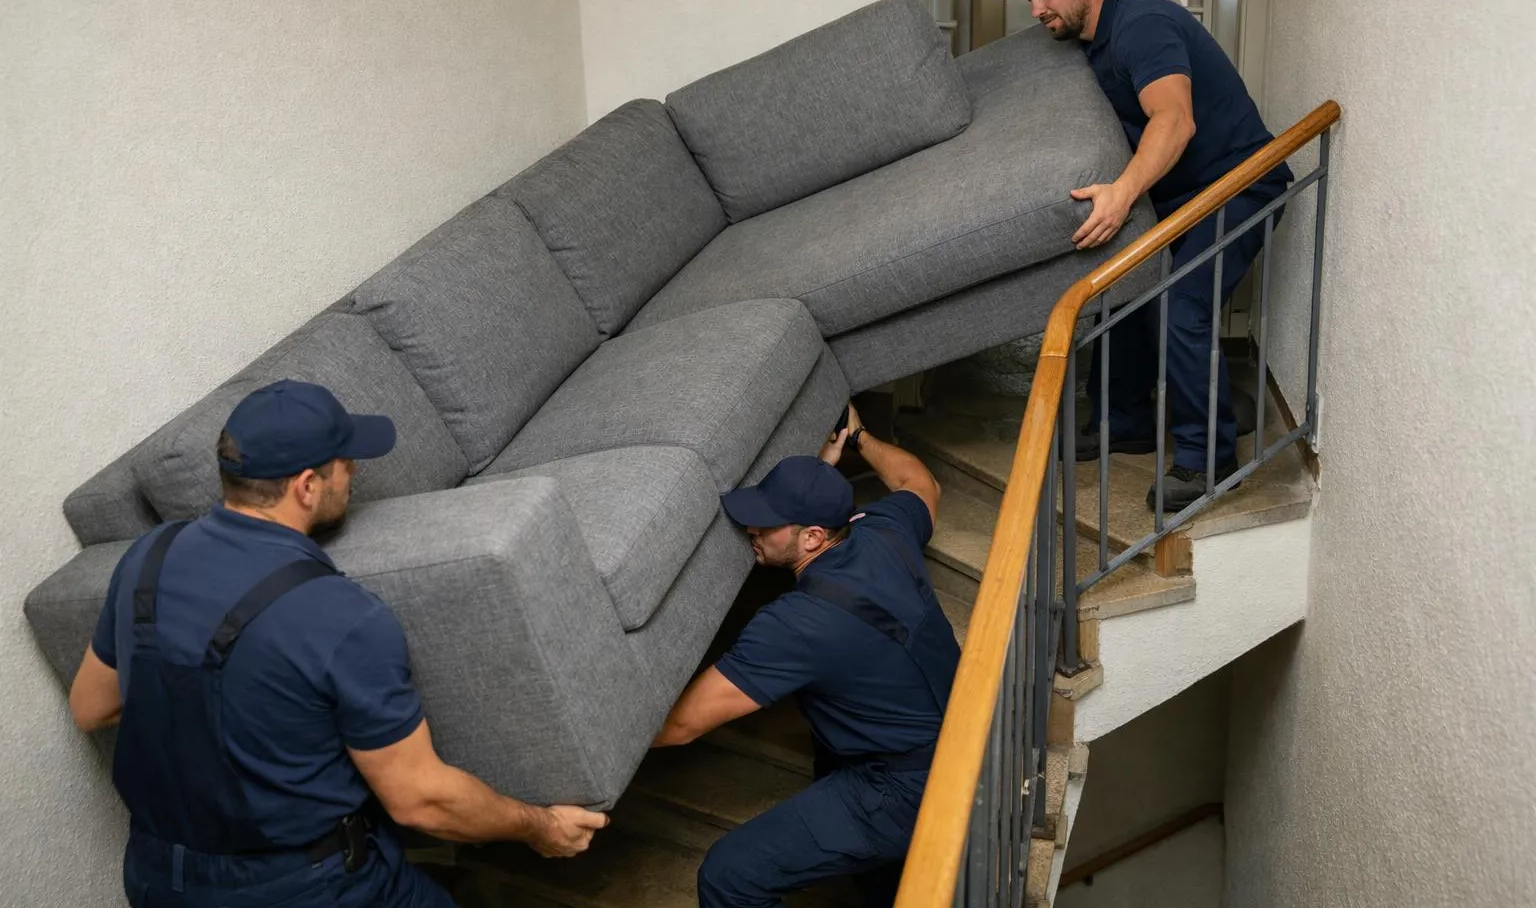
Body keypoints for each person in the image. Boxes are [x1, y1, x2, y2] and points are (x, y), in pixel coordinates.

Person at [67, 379, 608, 907]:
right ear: (306, 486)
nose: (353, 472)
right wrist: (542, 826)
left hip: (155, 876)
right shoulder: (342, 615)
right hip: (304, 886)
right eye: (345, 462)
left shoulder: (148, 555)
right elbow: (425, 802)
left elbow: (92, 707)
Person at [991, 0, 1294, 512]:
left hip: (1238, 183)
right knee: (1125, 281)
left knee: (1183, 300)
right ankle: (1122, 420)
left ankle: (1207, 458)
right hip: (1178, 189)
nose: (1036, 10)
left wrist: (1125, 193)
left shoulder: (1142, 26)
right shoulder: (1082, 37)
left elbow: (1174, 120)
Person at [654, 403, 958, 908]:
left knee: (730, 876)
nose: (751, 530)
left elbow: (681, 725)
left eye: (767, 524)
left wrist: (586, 759)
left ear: (813, 537)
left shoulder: (795, 623)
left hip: (904, 788)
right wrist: (859, 437)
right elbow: (920, 483)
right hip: (958, 733)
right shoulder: (885, 530)